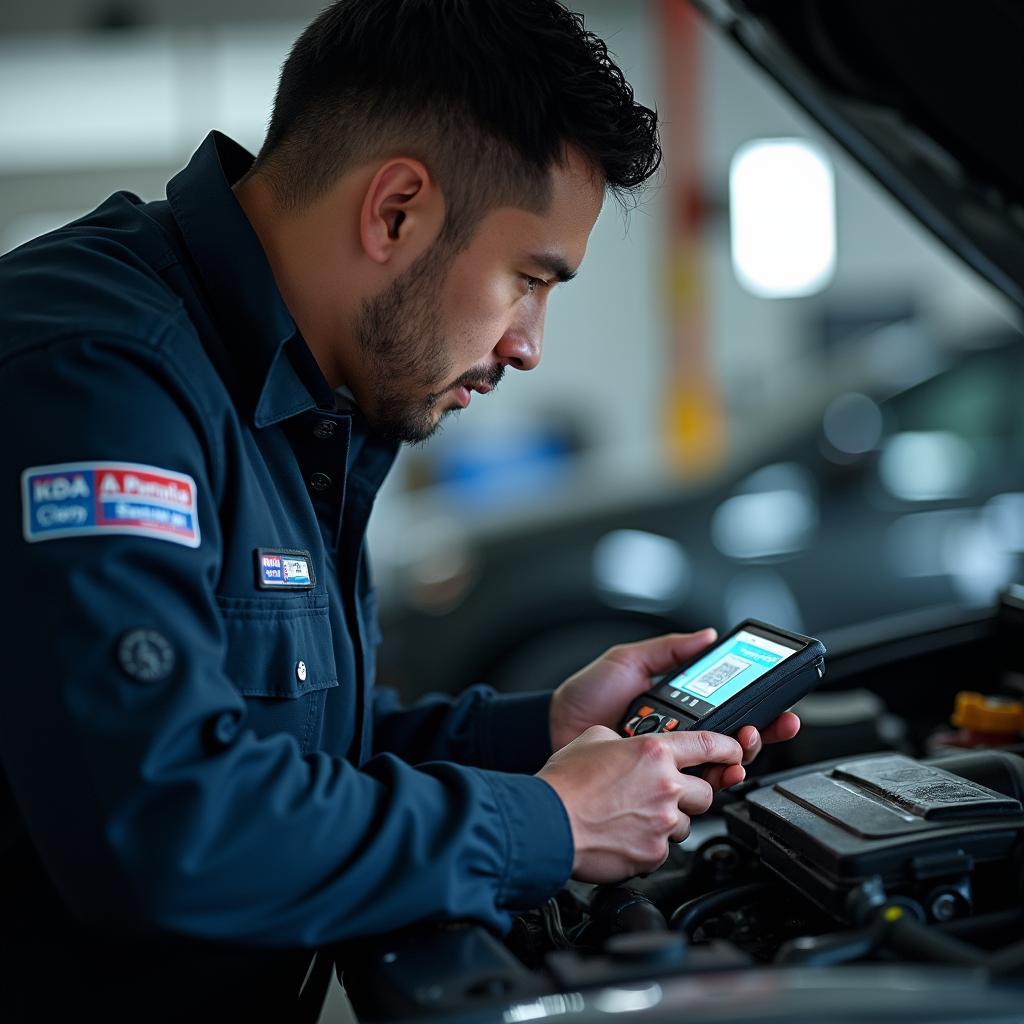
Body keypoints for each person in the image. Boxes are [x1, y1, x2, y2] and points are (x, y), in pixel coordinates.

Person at [0, 1, 799, 1020]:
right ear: (395, 212)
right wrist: (547, 821)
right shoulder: (96, 380)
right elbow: (164, 826)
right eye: (528, 279)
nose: (528, 345)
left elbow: (296, 750)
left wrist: (541, 731)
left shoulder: (298, 399)